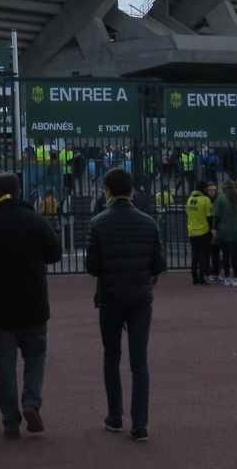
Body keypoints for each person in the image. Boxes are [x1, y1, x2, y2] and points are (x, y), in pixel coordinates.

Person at [0, 172, 62, 440]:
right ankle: (31, 402)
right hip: (33, 300)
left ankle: (9, 420)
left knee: (5, 364)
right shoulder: (35, 220)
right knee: (36, 356)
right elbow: (55, 253)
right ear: (19, 191)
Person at [86, 166, 165, 442]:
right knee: (139, 361)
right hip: (140, 299)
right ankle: (140, 423)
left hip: (110, 297)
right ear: (131, 190)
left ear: (107, 190)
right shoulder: (148, 222)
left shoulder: (98, 222)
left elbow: (92, 267)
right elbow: (159, 265)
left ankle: (115, 415)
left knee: (111, 357)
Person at [214, 179, 237, 287]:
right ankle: (235, 278)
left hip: (224, 230)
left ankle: (227, 278)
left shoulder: (221, 198)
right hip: (236, 230)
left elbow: (217, 215)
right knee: (236, 255)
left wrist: (215, 229)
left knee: (226, 255)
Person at [184, 181, 214, 285]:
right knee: (203, 255)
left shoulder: (190, 199)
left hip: (192, 231)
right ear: (204, 189)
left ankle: (194, 277)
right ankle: (201, 276)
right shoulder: (205, 200)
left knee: (195, 255)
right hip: (203, 231)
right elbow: (209, 217)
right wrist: (211, 230)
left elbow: (188, 214)